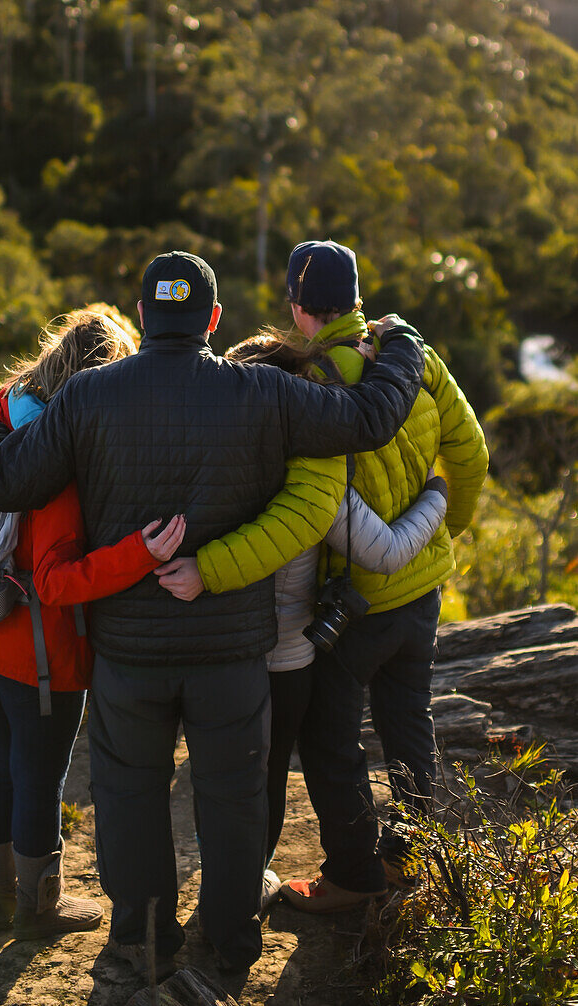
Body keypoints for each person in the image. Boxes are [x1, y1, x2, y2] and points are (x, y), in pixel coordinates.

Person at [0, 250, 426, 975]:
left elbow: (4, 481)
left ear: (144, 316)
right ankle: (232, 947)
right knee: (234, 804)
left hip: (128, 652)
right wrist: (400, 346)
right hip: (231, 653)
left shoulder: (87, 397)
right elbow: (370, 418)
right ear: (212, 318)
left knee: (129, 798)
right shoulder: (263, 393)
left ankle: (141, 945)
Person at [164, 240, 487, 914]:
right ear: (356, 297)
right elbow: (471, 452)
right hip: (421, 585)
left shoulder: (310, 384)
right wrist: (445, 524)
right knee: (407, 722)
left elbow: (308, 508)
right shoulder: (412, 357)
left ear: (295, 305)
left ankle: (351, 878)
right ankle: (411, 859)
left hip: (355, 601)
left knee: (328, 741)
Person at [0, 309, 185, 940]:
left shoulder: (5, 412)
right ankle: (37, 908)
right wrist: (143, 550)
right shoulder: (55, 458)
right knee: (37, 775)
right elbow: (56, 581)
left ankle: (1, 903)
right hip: (35, 656)